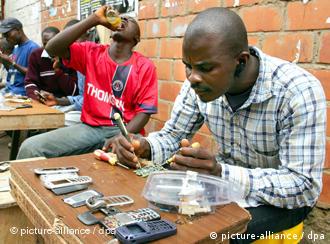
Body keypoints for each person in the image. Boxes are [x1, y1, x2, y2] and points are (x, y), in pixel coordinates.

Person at [108, 7, 326, 243]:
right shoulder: (198, 80)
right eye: (187, 66)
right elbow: (173, 136)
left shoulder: (297, 92)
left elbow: (303, 186)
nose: (192, 77)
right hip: (221, 184)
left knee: (212, 236)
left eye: (204, 68)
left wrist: (221, 173)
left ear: (240, 61)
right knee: (157, 218)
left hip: (282, 200)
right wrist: (145, 145)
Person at [16, 5, 158, 159]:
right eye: (121, 18)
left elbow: (144, 113)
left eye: (129, 20)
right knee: (30, 148)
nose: (123, 19)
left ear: (136, 38)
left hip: (125, 130)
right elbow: (51, 49)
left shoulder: (145, 66)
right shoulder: (92, 52)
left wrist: (123, 137)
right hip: (89, 128)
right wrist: (93, 20)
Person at [24, 26, 78, 102]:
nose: (48, 47)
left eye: (53, 43)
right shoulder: (36, 55)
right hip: (44, 101)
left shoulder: (69, 56)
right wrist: (37, 96)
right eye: (45, 44)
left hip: (65, 102)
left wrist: (57, 71)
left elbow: (74, 91)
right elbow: (30, 82)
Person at [0, 17, 39, 95]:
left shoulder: (33, 48)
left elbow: (34, 73)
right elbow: (14, 72)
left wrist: (12, 63)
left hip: (21, 93)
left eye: (8, 34)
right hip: (9, 90)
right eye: (4, 36)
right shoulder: (16, 49)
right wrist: (4, 62)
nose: (6, 38)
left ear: (18, 30)